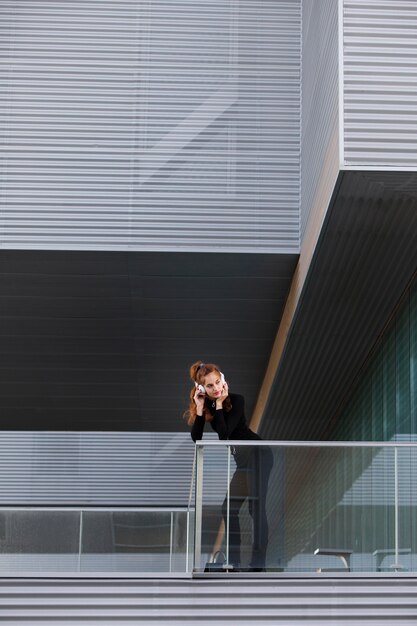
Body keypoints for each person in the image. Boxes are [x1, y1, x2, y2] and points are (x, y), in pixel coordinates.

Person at [186, 361, 273, 571]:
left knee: (255, 508)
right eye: (209, 386)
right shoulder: (209, 408)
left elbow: (225, 434)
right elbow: (196, 439)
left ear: (223, 380)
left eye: (217, 382)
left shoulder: (237, 400)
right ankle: (233, 561)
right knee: (228, 508)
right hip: (243, 463)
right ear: (201, 389)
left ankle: (258, 563)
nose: (216, 388)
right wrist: (199, 408)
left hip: (259, 455)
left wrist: (219, 403)